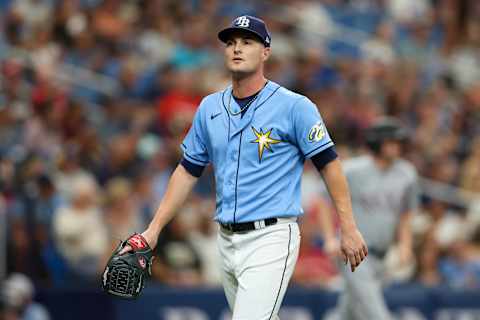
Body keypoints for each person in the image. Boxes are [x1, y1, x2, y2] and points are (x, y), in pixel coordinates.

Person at [120, 15, 367, 319]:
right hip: (225, 238)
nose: (237, 48)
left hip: (271, 236)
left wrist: (349, 227)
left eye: (247, 42)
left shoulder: (294, 106)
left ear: (265, 51)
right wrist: (154, 229)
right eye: (231, 42)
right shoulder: (209, 107)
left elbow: (329, 165)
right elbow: (187, 170)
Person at [322, 117, 420, 320]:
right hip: (355, 252)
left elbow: (406, 214)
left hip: (383, 255)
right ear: (377, 143)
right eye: (391, 142)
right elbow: (323, 201)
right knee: (375, 312)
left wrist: (405, 245)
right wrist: (330, 237)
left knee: (349, 311)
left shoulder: (407, 174)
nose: (396, 147)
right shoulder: (353, 169)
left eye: (398, 143)